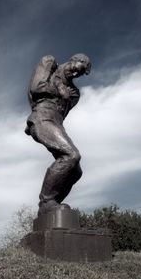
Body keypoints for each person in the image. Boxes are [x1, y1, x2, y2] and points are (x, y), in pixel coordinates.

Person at [25, 54, 91, 216]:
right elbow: (36, 87)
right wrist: (59, 88)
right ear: (73, 60)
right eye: (76, 69)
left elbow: (62, 114)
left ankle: (52, 206)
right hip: (42, 117)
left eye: (80, 75)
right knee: (71, 155)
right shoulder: (49, 63)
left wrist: (65, 95)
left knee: (75, 171)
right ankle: (46, 201)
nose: (76, 75)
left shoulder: (74, 93)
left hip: (56, 123)